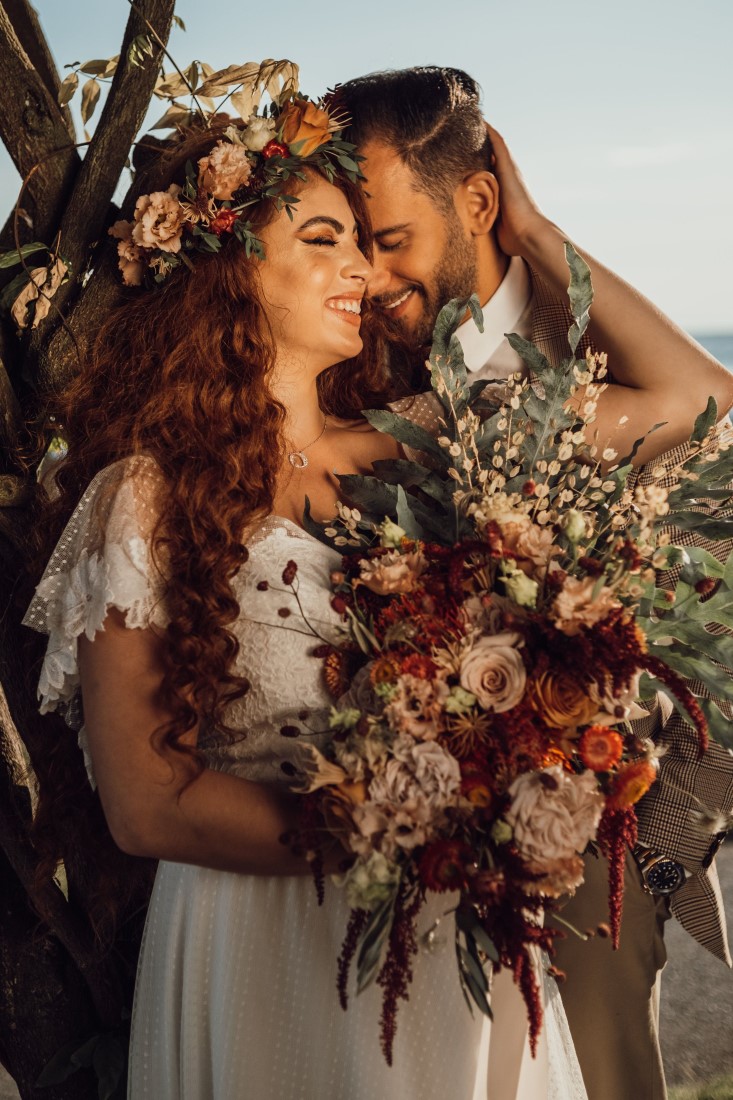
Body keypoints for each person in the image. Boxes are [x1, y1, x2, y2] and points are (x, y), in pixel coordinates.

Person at [22, 104, 598, 1100]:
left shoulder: (422, 443)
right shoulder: (142, 498)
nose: (365, 271)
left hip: (450, 927)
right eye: (325, 239)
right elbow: (145, 805)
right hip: (257, 940)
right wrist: (393, 833)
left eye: (364, 244)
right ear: (227, 270)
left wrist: (539, 240)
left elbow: (686, 400)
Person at [335, 65, 733, 1100]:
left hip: (592, 842)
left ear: (478, 200)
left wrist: (543, 235)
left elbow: (711, 409)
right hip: (398, 839)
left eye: (390, 239)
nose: (369, 277)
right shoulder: (353, 355)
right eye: (355, 242)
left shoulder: (588, 354)